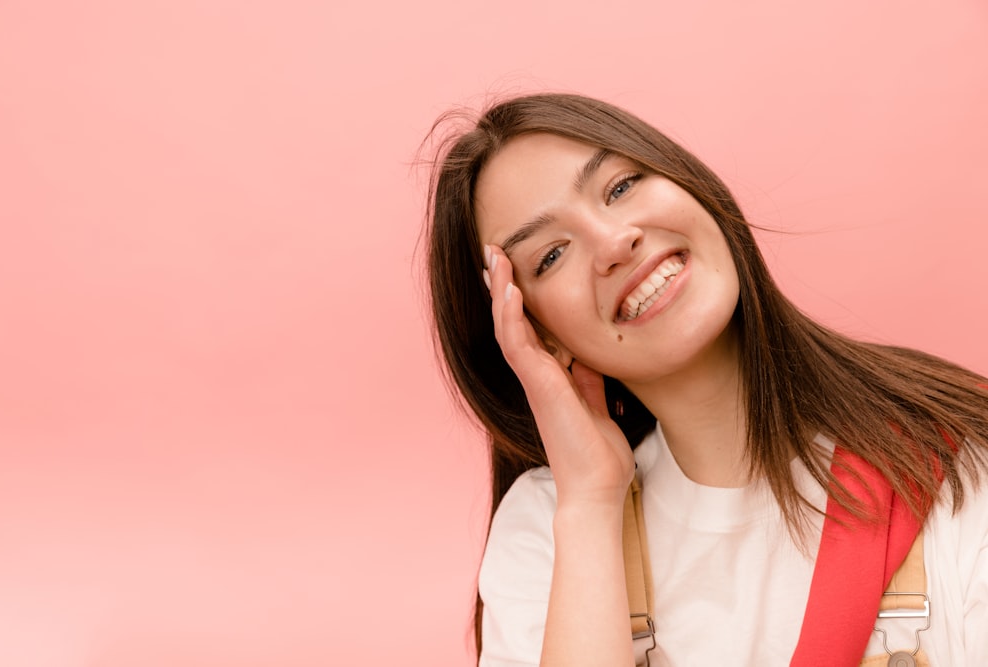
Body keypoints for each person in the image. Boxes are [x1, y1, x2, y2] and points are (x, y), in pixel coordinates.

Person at [423, 93, 988, 666]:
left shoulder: (958, 468)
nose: (616, 243)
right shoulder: (548, 530)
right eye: (551, 255)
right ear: (538, 334)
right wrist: (592, 504)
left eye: (620, 187)